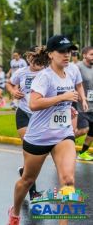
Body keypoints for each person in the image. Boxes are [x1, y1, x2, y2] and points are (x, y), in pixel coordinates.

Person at [8, 35, 88, 225]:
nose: (67, 55)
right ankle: (15, 211)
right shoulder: (44, 77)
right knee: (27, 180)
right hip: (39, 136)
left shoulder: (73, 70)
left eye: (69, 51)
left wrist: (79, 100)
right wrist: (62, 98)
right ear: (51, 54)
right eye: (62, 51)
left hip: (63, 133)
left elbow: (77, 85)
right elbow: (33, 103)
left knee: (68, 180)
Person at [6, 46, 46, 201]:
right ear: (28, 58)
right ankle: (33, 193)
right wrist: (13, 92)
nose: (36, 62)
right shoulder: (21, 72)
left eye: (39, 59)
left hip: (41, 116)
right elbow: (9, 83)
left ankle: (25, 172)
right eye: (33, 58)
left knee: (36, 156)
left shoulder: (48, 73)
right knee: (29, 152)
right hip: (24, 114)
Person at [74, 46, 93, 160]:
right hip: (81, 106)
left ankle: (83, 153)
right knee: (84, 129)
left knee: (92, 132)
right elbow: (72, 84)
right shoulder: (78, 68)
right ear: (84, 55)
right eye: (91, 54)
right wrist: (80, 97)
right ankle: (61, 142)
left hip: (92, 106)